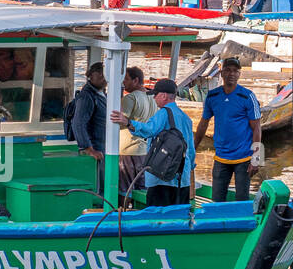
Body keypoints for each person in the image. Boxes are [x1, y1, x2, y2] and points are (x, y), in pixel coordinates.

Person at [110, 78, 195, 207]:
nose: (154, 98)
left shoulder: (163, 113)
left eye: (156, 95)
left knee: (157, 217)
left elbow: (149, 130)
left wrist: (128, 122)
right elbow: (191, 150)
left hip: (162, 179)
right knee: (178, 216)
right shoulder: (186, 118)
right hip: (182, 179)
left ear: (164, 96)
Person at [193, 56, 262, 203]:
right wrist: (193, 149)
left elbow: (256, 128)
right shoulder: (213, 96)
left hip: (243, 157)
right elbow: (203, 124)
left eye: (235, 71)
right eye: (228, 70)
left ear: (239, 74)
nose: (231, 73)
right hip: (221, 157)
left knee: (242, 198)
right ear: (221, 72)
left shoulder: (247, 96)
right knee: (217, 199)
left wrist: (256, 158)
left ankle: (242, 224)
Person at [118, 66, 156, 205]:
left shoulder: (130, 98)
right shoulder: (152, 97)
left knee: (124, 190)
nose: (124, 83)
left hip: (127, 150)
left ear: (136, 80)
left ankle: (122, 216)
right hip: (145, 150)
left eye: (126, 80)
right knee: (141, 189)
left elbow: (120, 121)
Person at [70, 62, 108, 193]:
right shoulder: (87, 97)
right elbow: (78, 123)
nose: (104, 78)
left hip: (104, 148)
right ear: (91, 75)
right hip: (97, 148)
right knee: (99, 186)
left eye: (106, 74)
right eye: (100, 74)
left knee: (105, 183)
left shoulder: (103, 94)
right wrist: (89, 149)